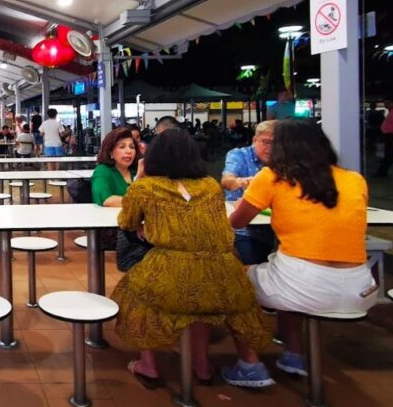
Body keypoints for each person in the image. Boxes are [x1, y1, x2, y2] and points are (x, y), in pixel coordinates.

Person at [113, 129, 273, 389]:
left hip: (171, 266)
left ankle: (149, 365)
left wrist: (141, 184)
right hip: (222, 271)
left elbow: (126, 222)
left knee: (134, 295)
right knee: (201, 306)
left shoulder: (146, 187)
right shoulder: (210, 185)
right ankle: (202, 365)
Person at [230, 119, 376, 379]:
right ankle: (293, 355)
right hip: (361, 288)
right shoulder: (355, 179)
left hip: (302, 283)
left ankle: (249, 365)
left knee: (232, 282)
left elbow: (236, 222)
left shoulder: (272, 176)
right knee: (282, 273)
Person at [221, 120, 277, 265]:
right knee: (252, 261)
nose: (271, 148)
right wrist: (242, 182)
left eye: (276, 143)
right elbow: (227, 181)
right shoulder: (239, 155)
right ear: (254, 140)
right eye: (266, 142)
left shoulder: (283, 158)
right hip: (245, 228)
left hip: (280, 226)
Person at [91, 127, 137, 207]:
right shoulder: (102, 171)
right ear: (110, 152)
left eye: (132, 147)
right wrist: (139, 203)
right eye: (122, 147)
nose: (129, 151)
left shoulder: (136, 170)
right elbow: (106, 200)